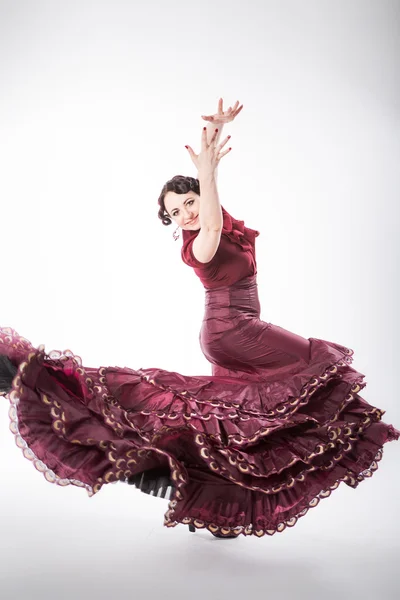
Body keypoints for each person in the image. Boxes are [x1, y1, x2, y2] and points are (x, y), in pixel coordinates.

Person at [1, 99, 399, 540]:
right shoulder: (197, 245)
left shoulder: (222, 221)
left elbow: (215, 214)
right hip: (234, 331)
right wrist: (207, 171)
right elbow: (208, 228)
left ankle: (219, 507)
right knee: (319, 368)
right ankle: (33, 377)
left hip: (228, 331)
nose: (185, 214)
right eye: (176, 213)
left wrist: (211, 164)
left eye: (188, 202)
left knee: (234, 425)